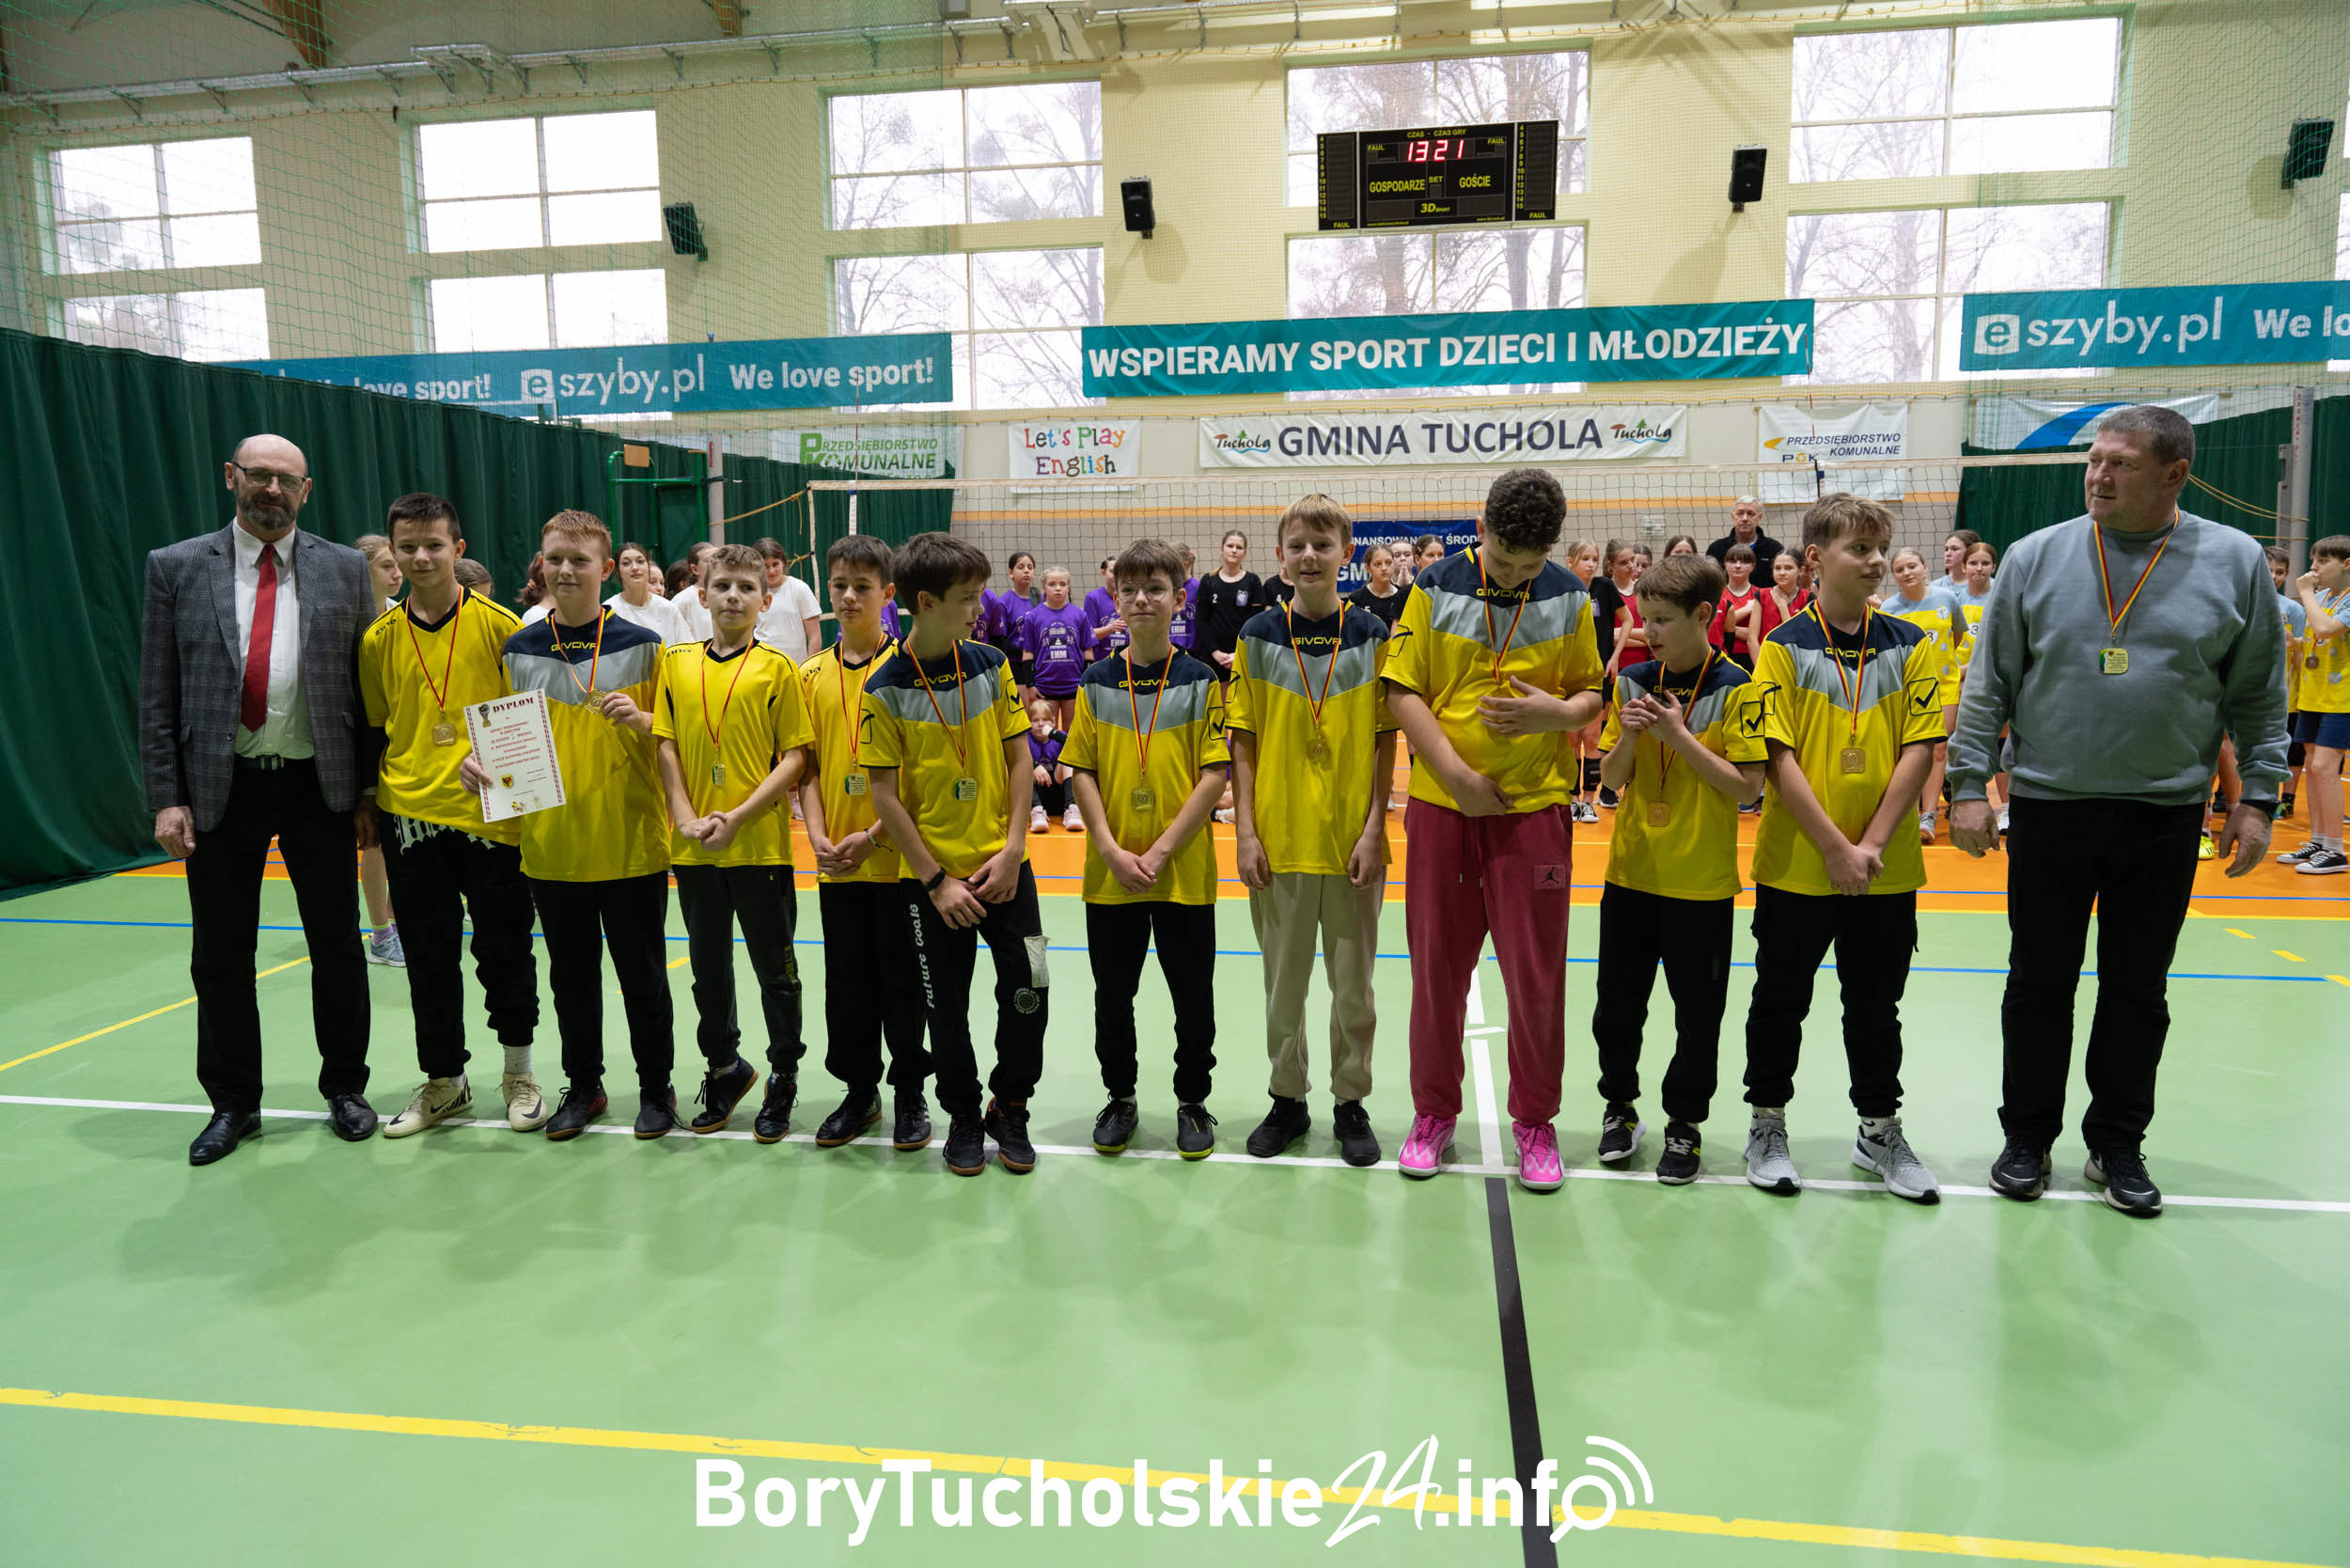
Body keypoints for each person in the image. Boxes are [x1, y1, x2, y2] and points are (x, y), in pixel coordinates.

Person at [1950, 406, 2288, 1217]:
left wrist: (2258, 800)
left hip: (2164, 813)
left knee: (2138, 991)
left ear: (2174, 475)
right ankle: (2027, 1138)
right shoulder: (2035, 556)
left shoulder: (2235, 561)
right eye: (2095, 459)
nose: (2098, 476)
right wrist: (1966, 785)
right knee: (2038, 984)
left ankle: (2117, 1143)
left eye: (2120, 463)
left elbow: (2258, 695)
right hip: (2048, 807)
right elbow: (1989, 683)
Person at [141, 433, 379, 1165]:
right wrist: (167, 796)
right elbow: (157, 691)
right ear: (232, 478)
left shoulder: (345, 569)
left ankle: (345, 1088)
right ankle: (233, 1103)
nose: (272, 489)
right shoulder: (176, 566)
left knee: (336, 946)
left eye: (287, 480)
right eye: (260, 475)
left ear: (307, 491)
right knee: (220, 955)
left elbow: (368, 688)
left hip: (319, 784)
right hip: (221, 788)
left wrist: (369, 789)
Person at [1385, 468, 1605, 1191]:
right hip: (1444, 806)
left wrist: (1559, 714)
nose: (1512, 576)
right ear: (1481, 530)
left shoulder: (1569, 597)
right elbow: (1402, 691)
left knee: (1536, 978)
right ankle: (1433, 1114)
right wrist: (1456, 778)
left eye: (1527, 566)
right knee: (1436, 974)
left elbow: (1590, 693)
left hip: (1534, 810)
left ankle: (1535, 1122)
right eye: (1503, 560)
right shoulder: (1434, 585)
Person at [1742, 493, 1945, 1203]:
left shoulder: (1912, 644)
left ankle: (1879, 1132)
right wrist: (1834, 846)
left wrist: (1872, 842)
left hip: (1885, 869)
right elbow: (1775, 755)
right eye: (1860, 548)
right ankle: (1767, 1126)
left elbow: (1922, 745)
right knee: (1779, 1003)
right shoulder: (1782, 647)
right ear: (1816, 559)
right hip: (1799, 865)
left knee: (1875, 1008)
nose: (1877, 560)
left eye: (1880, 547)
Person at [465, 511, 676, 1141]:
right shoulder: (518, 648)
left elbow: (676, 737)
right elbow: (499, 736)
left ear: (605, 569)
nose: (565, 570)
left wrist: (646, 721)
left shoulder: (646, 644)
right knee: (571, 982)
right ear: (541, 564)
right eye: (554, 558)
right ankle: (585, 1087)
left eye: (579, 560)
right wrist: (476, 763)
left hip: (632, 841)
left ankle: (656, 1089)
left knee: (644, 980)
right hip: (552, 847)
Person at [864, 532, 1048, 1178]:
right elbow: (884, 796)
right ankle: (964, 1115)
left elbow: (1019, 759)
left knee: (1032, 982)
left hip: (1008, 870)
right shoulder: (884, 686)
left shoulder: (992, 664)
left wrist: (1015, 848)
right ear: (925, 602)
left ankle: (1011, 1105)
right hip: (933, 883)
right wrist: (936, 880)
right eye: (967, 598)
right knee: (943, 1007)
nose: (979, 608)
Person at [360, 493, 544, 1138]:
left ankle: (519, 1073)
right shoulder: (379, 638)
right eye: (407, 547)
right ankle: (444, 1082)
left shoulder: (502, 626)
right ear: (393, 553)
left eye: (433, 545)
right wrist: (369, 803)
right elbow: (378, 727)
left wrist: (493, 759)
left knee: (505, 951)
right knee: (428, 958)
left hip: (491, 818)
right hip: (409, 815)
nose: (420, 557)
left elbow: (529, 720)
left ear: (457, 549)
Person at [1228, 494, 1395, 1169]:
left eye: (1323, 545)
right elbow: (1242, 740)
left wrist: (1376, 828)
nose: (1309, 556)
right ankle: (1287, 1099)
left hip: (1353, 844)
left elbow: (1386, 739)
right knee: (1283, 990)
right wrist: (1245, 832)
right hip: (1280, 842)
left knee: (1353, 991)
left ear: (1346, 554)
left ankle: (1350, 1102)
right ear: (1280, 557)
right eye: (1297, 545)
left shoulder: (1374, 634)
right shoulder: (1258, 636)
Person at [1591, 553, 1765, 1184]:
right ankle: (1619, 1108)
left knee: (1697, 1016)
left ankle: (1685, 1124)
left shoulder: (1739, 687)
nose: (1649, 631)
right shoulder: (1633, 680)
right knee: (1617, 1010)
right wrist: (1632, 738)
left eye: (1662, 619)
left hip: (1701, 886)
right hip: (1631, 876)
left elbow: (1747, 788)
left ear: (1702, 615)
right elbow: (1611, 782)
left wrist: (1678, 737)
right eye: (1644, 618)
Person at [1067, 540, 1230, 1159]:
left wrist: (1159, 852)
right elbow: (1082, 771)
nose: (1142, 599)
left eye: (1155, 588)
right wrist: (1111, 850)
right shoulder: (1095, 680)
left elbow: (1213, 775)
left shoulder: (1199, 680)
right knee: (1113, 999)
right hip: (1112, 875)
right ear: (1116, 601)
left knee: (1193, 1000)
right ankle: (1121, 1097)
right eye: (1130, 589)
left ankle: (1193, 1101)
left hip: (1182, 872)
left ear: (1178, 599)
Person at [651, 543, 815, 1138]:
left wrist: (740, 816)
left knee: (777, 972)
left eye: (747, 588)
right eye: (722, 586)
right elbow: (665, 743)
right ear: (701, 594)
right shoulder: (676, 663)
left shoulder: (779, 669)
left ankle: (783, 1078)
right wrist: (684, 816)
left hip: (758, 847)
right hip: (695, 847)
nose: (733, 597)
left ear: (765, 601)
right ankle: (725, 1068)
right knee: (708, 969)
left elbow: (795, 757)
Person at [799, 535, 932, 1152]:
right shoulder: (810, 675)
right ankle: (859, 1093)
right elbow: (806, 768)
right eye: (840, 585)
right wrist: (819, 836)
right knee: (847, 987)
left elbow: (919, 776)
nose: (849, 597)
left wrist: (873, 835)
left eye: (863, 586)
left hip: (897, 863)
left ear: (888, 594)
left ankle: (910, 1093)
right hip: (838, 865)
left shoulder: (909, 669)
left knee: (903, 985)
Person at [1876, 547, 1968, 842]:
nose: (1907, 573)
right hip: (1907, 687)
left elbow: (1956, 637)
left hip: (1943, 685)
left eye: (1912, 566)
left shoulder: (1947, 598)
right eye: (1900, 569)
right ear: (1894, 575)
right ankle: (1905, 813)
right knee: (1908, 750)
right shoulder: (1889, 608)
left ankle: (1929, 815)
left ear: (1925, 568)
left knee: (1939, 749)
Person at [2280, 536, 2350, 874]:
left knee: (2324, 767)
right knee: (2311, 764)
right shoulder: (2322, 597)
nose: (2314, 568)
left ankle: (2336, 850)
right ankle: (2319, 840)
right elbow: (2314, 637)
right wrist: (2294, 642)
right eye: (2313, 560)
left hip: (2342, 698)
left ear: (2346, 564)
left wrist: (2304, 592)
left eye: (2323, 561)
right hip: (2312, 694)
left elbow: (2325, 628)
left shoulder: (2337, 599)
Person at [352, 533, 406, 965]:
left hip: (400, 736)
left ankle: (397, 922)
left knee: (402, 839)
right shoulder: (344, 617)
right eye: (387, 566)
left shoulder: (401, 616)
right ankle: (380, 932)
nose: (397, 573)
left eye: (397, 564)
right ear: (361, 569)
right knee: (373, 841)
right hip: (360, 740)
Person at [1016, 566, 1089, 734]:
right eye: (1052, 584)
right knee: (1046, 734)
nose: (1058, 588)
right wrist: (1030, 685)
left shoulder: (1080, 615)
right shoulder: (1033, 616)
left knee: (1073, 734)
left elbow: (1088, 651)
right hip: (1044, 687)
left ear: (1068, 588)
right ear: (1044, 588)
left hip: (1074, 685)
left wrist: (1085, 685)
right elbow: (1027, 653)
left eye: (1062, 584)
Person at [2265, 545, 2309, 823]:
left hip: (2287, 694)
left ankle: (2287, 800)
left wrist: (2302, 692)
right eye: (2269, 570)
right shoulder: (2244, 600)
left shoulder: (2293, 609)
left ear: (2287, 574)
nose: (2274, 577)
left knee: (2292, 748)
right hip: (2254, 691)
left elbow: (2301, 652)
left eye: (2280, 572)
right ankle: (2249, 797)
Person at [1193, 528, 1262, 682]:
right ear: (1221, 549)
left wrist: (1239, 653)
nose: (1234, 550)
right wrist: (1215, 652)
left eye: (1239, 547)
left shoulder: (1252, 581)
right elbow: (1201, 620)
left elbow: (1257, 622)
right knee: (1218, 696)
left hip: (1243, 654)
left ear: (1244, 553)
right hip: (1213, 656)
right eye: (1230, 546)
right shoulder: (1208, 580)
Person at [752, 537, 822, 662]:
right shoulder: (752, 592)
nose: (771, 571)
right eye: (765, 566)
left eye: (775, 564)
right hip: (761, 665)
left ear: (783, 562)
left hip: (795, 666)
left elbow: (815, 637)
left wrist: (809, 669)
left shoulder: (800, 588)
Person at [608, 541, 690, 644]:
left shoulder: (668, 609)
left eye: (640, 561)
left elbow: (686, 647)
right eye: (626, 563)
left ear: (648, 567)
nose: (635, 567)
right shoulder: (610, 611)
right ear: (617, 571)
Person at [1709, 544, 1764, 668]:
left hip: (1752, 656)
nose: (1738, 565)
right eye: (1733, 561)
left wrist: (1726, 627)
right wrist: (1746, 610)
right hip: (1722, 656)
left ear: (1753, 566)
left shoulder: (1762, 595)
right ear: (1725, 564)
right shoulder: (1716, 594)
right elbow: (1710, 627)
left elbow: (1761, 634)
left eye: (1744, 562)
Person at [1026, 697, 1073, 834]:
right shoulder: (1025, 738)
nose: (1040, 724)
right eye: (1035, 720)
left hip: (1058, 794)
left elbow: (1076, 746)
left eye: (1045, 720)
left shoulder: (1058, 736)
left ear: (1053, 722)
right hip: (1036, 796)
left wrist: (1053, 733)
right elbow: (1014, 755)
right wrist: (1034, 766)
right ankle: (1037, 811)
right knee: (1024, 766)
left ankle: (1072, 808)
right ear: (1029, 723)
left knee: (1069, 759)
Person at [986, 550, 1042, 666]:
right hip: (1016, 663)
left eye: (1030, 567)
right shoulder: (1003, 603)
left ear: (1034, 573)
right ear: (1011, 573)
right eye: (1021, 567)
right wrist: (1027, 652)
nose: (1026, 571)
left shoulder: (1040, 598)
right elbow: (1002, 640)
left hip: (1039, 661)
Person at [1704, 496, 1784, 573]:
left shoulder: (1774, 549)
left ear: (1759, 517)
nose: (1745, 518)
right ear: (1733, 517)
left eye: (1750, 514)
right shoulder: (1716, 549)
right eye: (1740, 513)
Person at [1347, 541, 1408, 630]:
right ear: (1367, 568)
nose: (1384, 568)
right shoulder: (1356, 599)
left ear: (1394, 564)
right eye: (1377, 564)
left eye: (1388, 562)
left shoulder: (1402, 597)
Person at [1082, 556, 1128, 663]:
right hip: (1102, 662)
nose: (1117, 575)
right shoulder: (1093, 598)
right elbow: (1088, 635)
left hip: (1128, 661)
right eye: (1113, 572)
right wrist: (1109, 628)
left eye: (1121, 572)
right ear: (1103, 573)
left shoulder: (1133, 597)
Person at [669, 541, 715, 642]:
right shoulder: (683, 599)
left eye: (718, 558)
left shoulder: (728, 594)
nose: (716, 563)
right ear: (695, 569)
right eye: (709, 560)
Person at [1931, 530, 1981, 596]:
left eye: (1954, 549)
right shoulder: (1934, 587)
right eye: (1946, 549)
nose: (1948, 554)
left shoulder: (1989, 587)